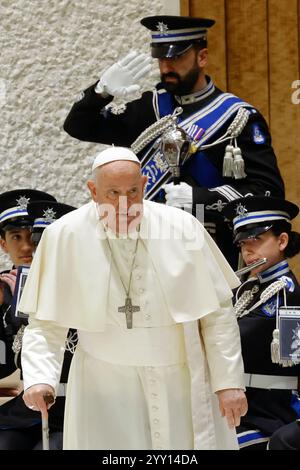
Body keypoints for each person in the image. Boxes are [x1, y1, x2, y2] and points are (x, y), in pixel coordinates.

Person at [20, 146, 247, 450]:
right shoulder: (65, 235)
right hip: (103, 385)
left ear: (143, 185)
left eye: (132, 191)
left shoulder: (182, 228)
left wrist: (228, 383)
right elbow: (44, 324)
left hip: (178, 380)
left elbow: (217, 314)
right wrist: (39, 378)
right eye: (112, 193)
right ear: (92, 190)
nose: (124, 204)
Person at [63, 15, 284, 267]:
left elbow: (269, 192)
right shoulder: (150, 108)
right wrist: (101, 91)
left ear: (201, 57)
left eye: (176, 57)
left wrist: (201, 198)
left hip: (208, 248)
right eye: (162, 58)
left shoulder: (237, 117)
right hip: (147, 247)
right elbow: (78, 126)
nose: (166, 66)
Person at [0, 191, 76, 450]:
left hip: (76, 407)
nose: (27, 247)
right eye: (16, 237)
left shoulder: (78, 282)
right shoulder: (4, 289)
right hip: (29, 407)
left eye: (35, 238)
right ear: (3, 243)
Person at [224, 196, 300, 450]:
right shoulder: (249, 289)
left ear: (282, 241)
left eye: (256, 239)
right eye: (243, 243)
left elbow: (290, 359)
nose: (247, 250)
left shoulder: (287, 294)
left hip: (270, 411)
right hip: (242, 403)